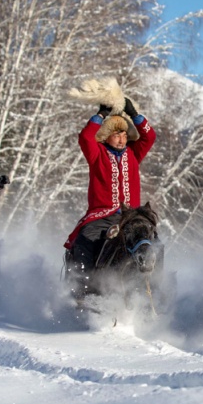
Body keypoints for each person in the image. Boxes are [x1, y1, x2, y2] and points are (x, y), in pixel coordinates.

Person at [64, 79, 156, 299]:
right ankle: (85, 289)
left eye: (125, 134)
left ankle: (154, 288)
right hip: (101, 215)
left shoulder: (134, 153)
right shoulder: (97, 154)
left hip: (131, 216)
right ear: (106, 137)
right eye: (117, 134)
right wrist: (101, 114)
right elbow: (85, 137)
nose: (122, 138)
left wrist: (134, 114)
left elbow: (149, 136)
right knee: (86, 237)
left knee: (154, 241)